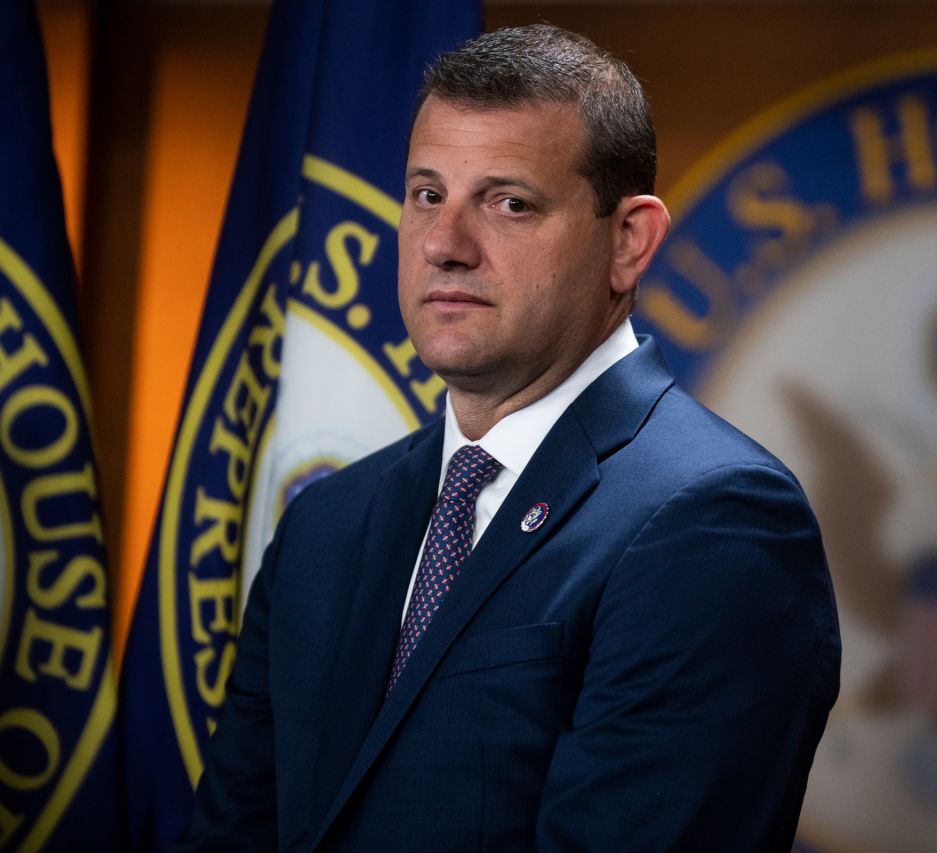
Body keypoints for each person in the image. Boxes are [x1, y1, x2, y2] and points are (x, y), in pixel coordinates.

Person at [176, 24, 840, 852]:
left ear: (628, 240)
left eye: (508, 202)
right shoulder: (327, 523)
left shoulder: (715, 520)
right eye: (426, 194)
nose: (444, 245)